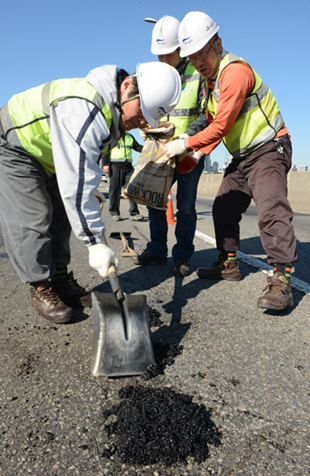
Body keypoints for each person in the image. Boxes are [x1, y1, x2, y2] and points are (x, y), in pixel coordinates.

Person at [0, 62, 181, 324]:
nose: (142, 121)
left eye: (149, 118)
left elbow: (86, 168)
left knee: (62, 214)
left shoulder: (111, 113)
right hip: (14, 144)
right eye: (142, 111)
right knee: (34, 216)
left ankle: (60, 278)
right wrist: (95, 242)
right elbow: (76, 185)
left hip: (46, 154)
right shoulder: (85, 109)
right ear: (127, 85)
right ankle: (40, 287)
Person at [165, 11, 297, 310]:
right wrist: (198, 154)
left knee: (271, 210)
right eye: (193, 57)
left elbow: (221, 125)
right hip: (243, 155)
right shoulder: (210, 82)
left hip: (268, 147)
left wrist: (184, 144)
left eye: (202, 54)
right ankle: (228, 264)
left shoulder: (234, 72)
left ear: (218, 43)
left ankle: (282, 281)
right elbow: (213, 121)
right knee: (224, 206)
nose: (198, 62)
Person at [132, 15, 208, 277]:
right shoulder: (155, 73)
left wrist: (187, 142)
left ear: (180, 49)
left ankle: (183, 255)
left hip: (188, 151)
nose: (163, 60)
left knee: (186, 205)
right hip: (162, 150)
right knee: (155, 201)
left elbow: (206, 112)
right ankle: (156, 249)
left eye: (168, 54)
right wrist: (147, 129)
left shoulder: (198, 73)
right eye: (159, 55)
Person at [103, 131, 144, 221]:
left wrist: (149, 148)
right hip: (115, 166)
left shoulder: (129, 136)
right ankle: (114, 213)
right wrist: (105, 163)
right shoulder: (112, 136)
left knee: (131, 190)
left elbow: (138, 147)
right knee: (115, 191)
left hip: (129, 167)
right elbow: (106, 150)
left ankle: (134, 213)